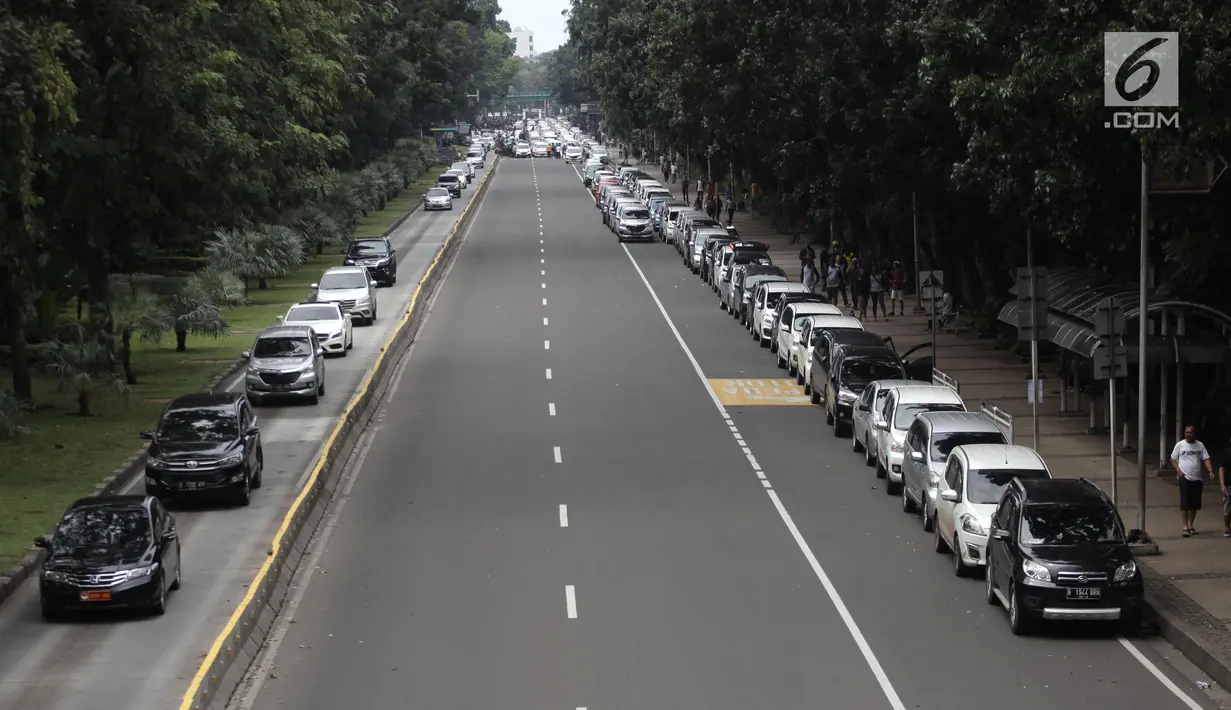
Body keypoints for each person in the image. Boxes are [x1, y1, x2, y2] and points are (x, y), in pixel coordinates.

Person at [1173, 425, 1215, 536]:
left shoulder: (1199, 445)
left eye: (1190, 432)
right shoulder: (1180, 445)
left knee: (1194, 503)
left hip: (1197, 477)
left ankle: (1191, 525)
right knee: (1185, 502)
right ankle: (1185, 526)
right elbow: (1173, 458)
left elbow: (1206, 458)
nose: (1188, 434)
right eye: (1186, 432)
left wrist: (1210, 471)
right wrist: (1178, 470)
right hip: (1184, 477)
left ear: (1194, 433)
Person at [1219, 441, 1231, 537]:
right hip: (1229, 485)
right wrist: (1222, 485)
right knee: (1227, 509)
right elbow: (1222, 469)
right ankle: (1227, 528)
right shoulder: (1226, 453)